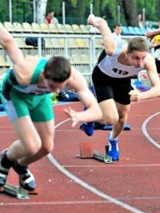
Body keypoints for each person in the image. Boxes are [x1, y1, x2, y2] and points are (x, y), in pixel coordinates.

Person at [0, 26, 102, 190]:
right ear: (44, 75)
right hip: (15, 95)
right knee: (32, 145)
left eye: (61, 87)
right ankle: (4, 161)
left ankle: (20, 166)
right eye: (52, 86)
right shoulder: (26, 71)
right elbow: (7, 41)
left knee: (47, 147)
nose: (56, 91)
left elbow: (96, 110)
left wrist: (80, 117)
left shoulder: (73, 78)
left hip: (40, 97)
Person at [80, 14, 160, 161]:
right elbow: (102, 23)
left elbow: (159, 89)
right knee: (111, 118)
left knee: (122, 119)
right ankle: (90, 115)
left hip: (123, 81)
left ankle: (113, 141)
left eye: (143, 58)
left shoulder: (148, 61)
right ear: (127, 53)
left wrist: (141, 96)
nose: (140, 63)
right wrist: (92, 19)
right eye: (136, 58)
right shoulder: (113, 50)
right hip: (103, 77)